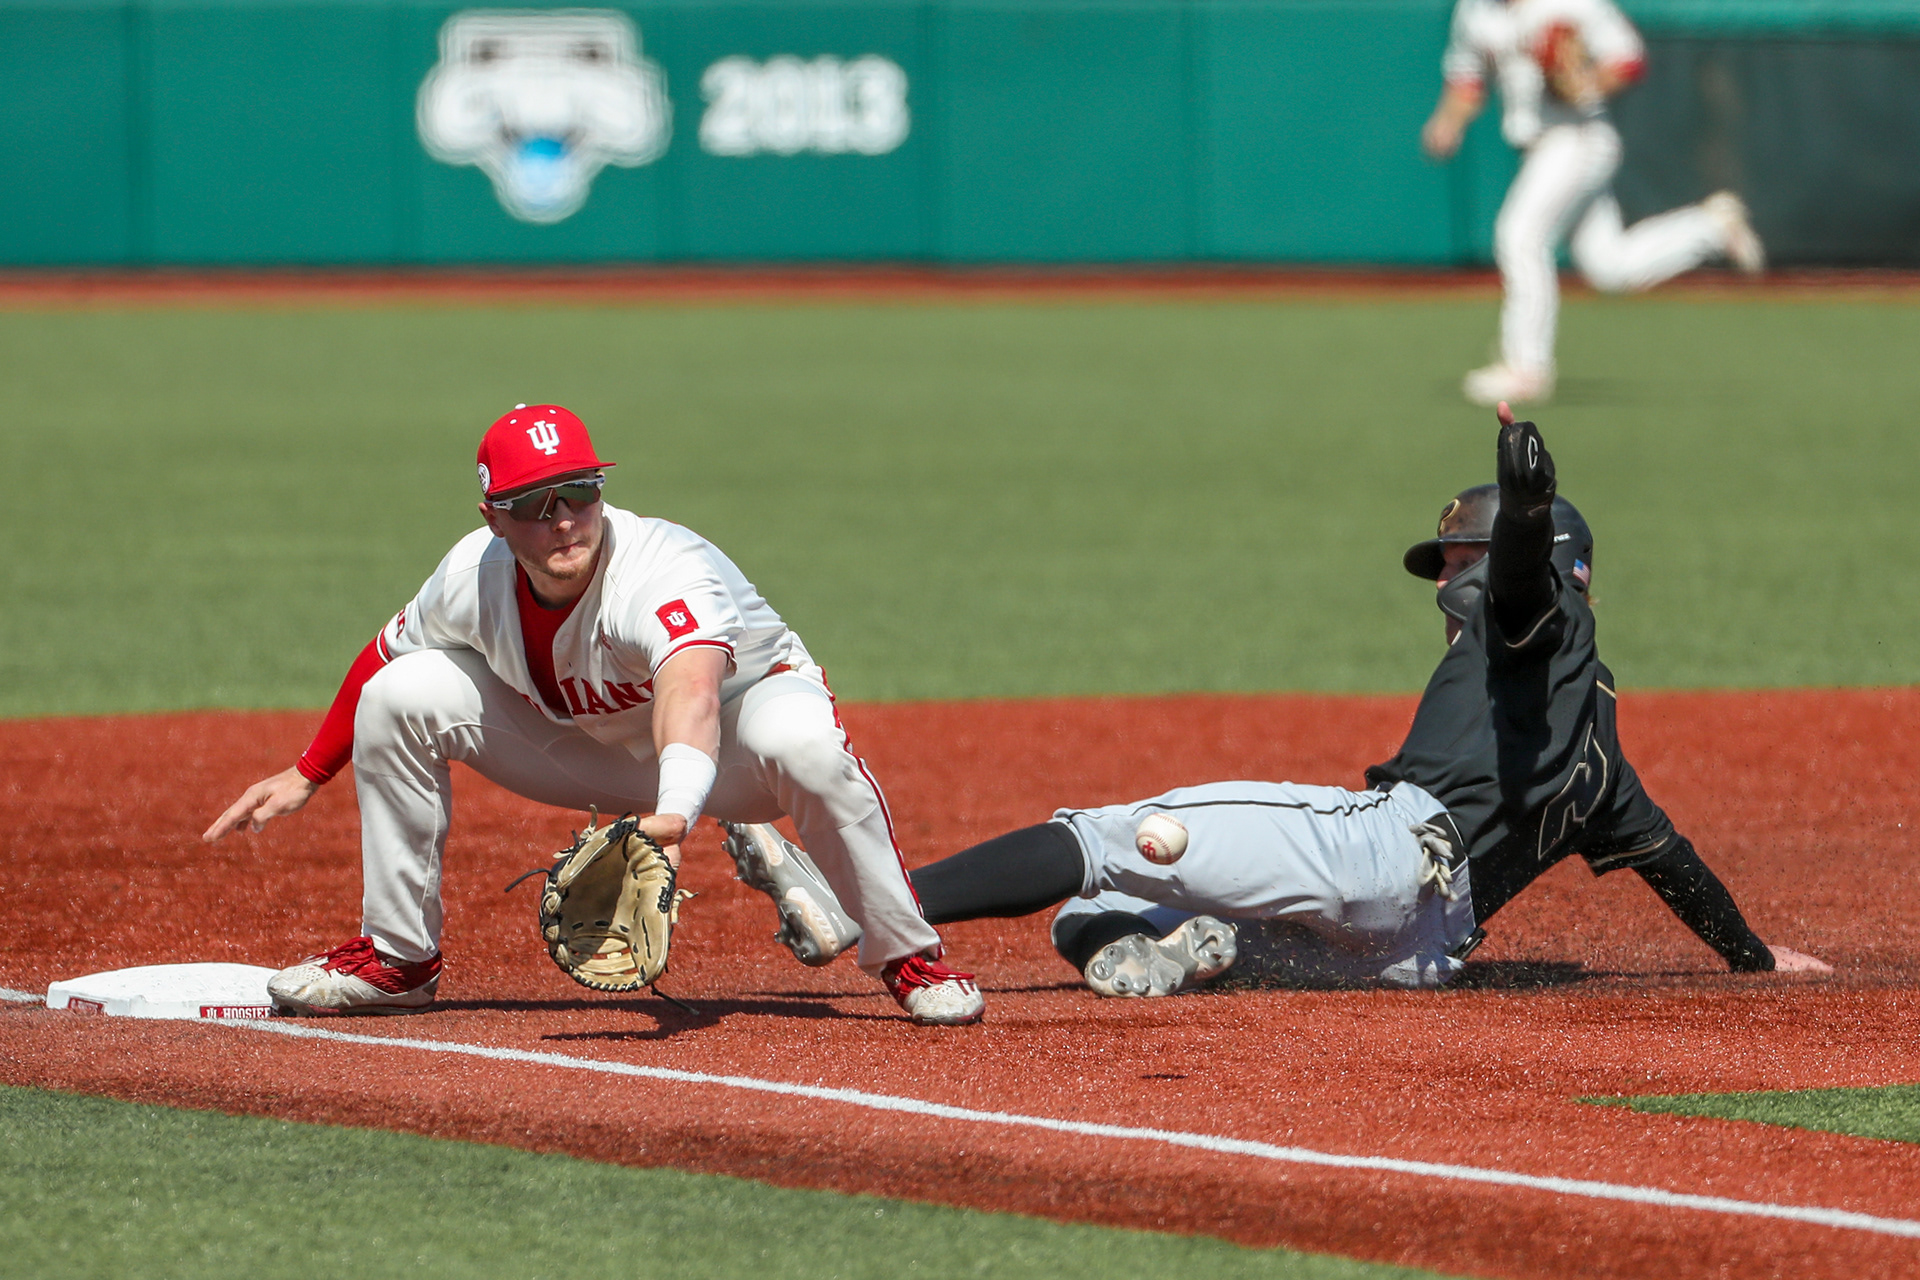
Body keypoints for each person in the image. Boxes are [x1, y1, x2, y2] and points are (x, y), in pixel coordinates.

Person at [903, 407, 1831, 995]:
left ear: (1544, 563)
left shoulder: (1541, 627)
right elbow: (1675, 864)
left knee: (1102, 841)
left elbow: (1520, 586)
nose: (1445, 585)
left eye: (1461, 562)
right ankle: (1185, 948)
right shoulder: (1604, 753)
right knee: (1095, 911)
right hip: (1412, 956)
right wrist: (1753, 958)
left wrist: (1524, 503)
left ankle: (886, 904)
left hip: (1380, 853)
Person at [204, 404, 983, 1026]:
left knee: (802, 740)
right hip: (589, 745)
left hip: (739, 739)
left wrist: (677, 811)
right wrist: (309, 771)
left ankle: (909, 958)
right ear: (494, 519)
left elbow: (692, 693)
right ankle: (398, 960)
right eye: (535, 505)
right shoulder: (470, 575)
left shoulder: (662, 569)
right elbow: (382, 654)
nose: (565, 518)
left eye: (579, 492)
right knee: (401, 696)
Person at [1421, 0, 1767, 407]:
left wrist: (1583, 83)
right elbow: (1468, 78)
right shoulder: (1476, 11)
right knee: (1610, 267)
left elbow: (1630, 59)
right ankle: (1711, 228)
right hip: (1537, 146)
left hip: (1577, 137)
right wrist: (1449, 122)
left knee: (1520, 237)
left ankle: (1525, 367)